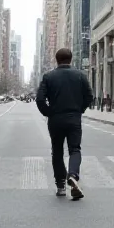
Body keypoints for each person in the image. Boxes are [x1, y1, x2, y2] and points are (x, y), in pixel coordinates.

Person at [36, 48, 94, 200]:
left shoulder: (48, 76)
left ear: (57, 60)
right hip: (74, 118)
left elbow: (40, 99)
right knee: (75, 149)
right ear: (71, 59)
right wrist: (80, 109)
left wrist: (48, 112)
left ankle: (61, 186)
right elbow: (89, 96)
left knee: (57, 151)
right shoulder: (80, 75)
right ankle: (73, 174)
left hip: (55, 119)